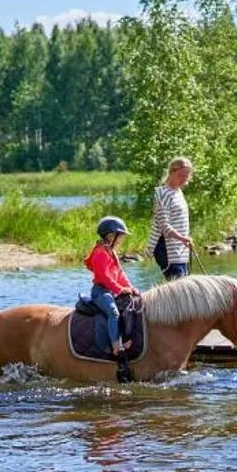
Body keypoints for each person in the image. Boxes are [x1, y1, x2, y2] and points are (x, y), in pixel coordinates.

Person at [86, 215, 138, 364]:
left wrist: (130, 288)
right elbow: (104, 277)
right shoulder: (100, 253)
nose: (121, 241)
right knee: (113, 313)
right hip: (100, 291)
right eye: (120, 237)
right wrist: (120, 289)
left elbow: (120, 273)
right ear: (110, 236)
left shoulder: (111, 252)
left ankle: (125, 337)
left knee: (129, 308)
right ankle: (116, 345)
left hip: (111, 290)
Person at [147, 156, 196, 279]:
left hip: (181, 249)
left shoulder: (178, 192)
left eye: (187, 175)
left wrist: (185, 238)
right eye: (182, 175)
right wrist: (183, 238)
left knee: (185, 288)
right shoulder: (163, 193)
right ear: (172, 172)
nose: (185, 179)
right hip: (167, 249)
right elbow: (164, 226)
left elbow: (180, 222)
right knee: (178, 290)